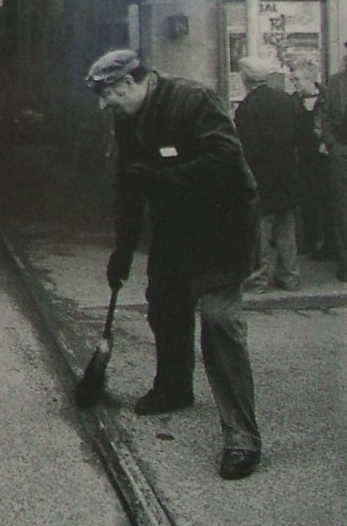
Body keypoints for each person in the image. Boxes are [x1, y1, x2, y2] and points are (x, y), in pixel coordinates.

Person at [85, 49, 261, 481]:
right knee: (164, 303)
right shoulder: (127, 119)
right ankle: (174, 387)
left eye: (108, 94)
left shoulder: (194, 100)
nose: (104, 105)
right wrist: (122, 251)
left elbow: (227, 165)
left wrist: (161, 179)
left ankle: (242, 437)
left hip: (223, 227)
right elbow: (129, 186)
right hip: (174, 229)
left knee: (219, 321)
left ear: (129, 83)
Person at [234, 57, 300, 291]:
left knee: (261, 230)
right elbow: (298, 135)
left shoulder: (246, 107)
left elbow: (247, 148)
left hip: (261, 175)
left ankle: (259, 279)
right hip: (287, 172)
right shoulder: (286, 100)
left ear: (245, 79)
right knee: (286, 228)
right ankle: (290, 276)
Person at [289, 57, 334, 261]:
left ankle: (326, 245)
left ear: (310, 79)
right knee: (306, 201)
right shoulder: (292, 101)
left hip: (325, 159)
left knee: (326, 202)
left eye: (297, 79)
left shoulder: (328, 98)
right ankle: (308, 241)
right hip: (302, 159)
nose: (295, 84)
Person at [320, 44, 347, 282]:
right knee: (342, 209)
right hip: (342, 152)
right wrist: (333, 145)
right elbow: (327, 118)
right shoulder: (337, 83)